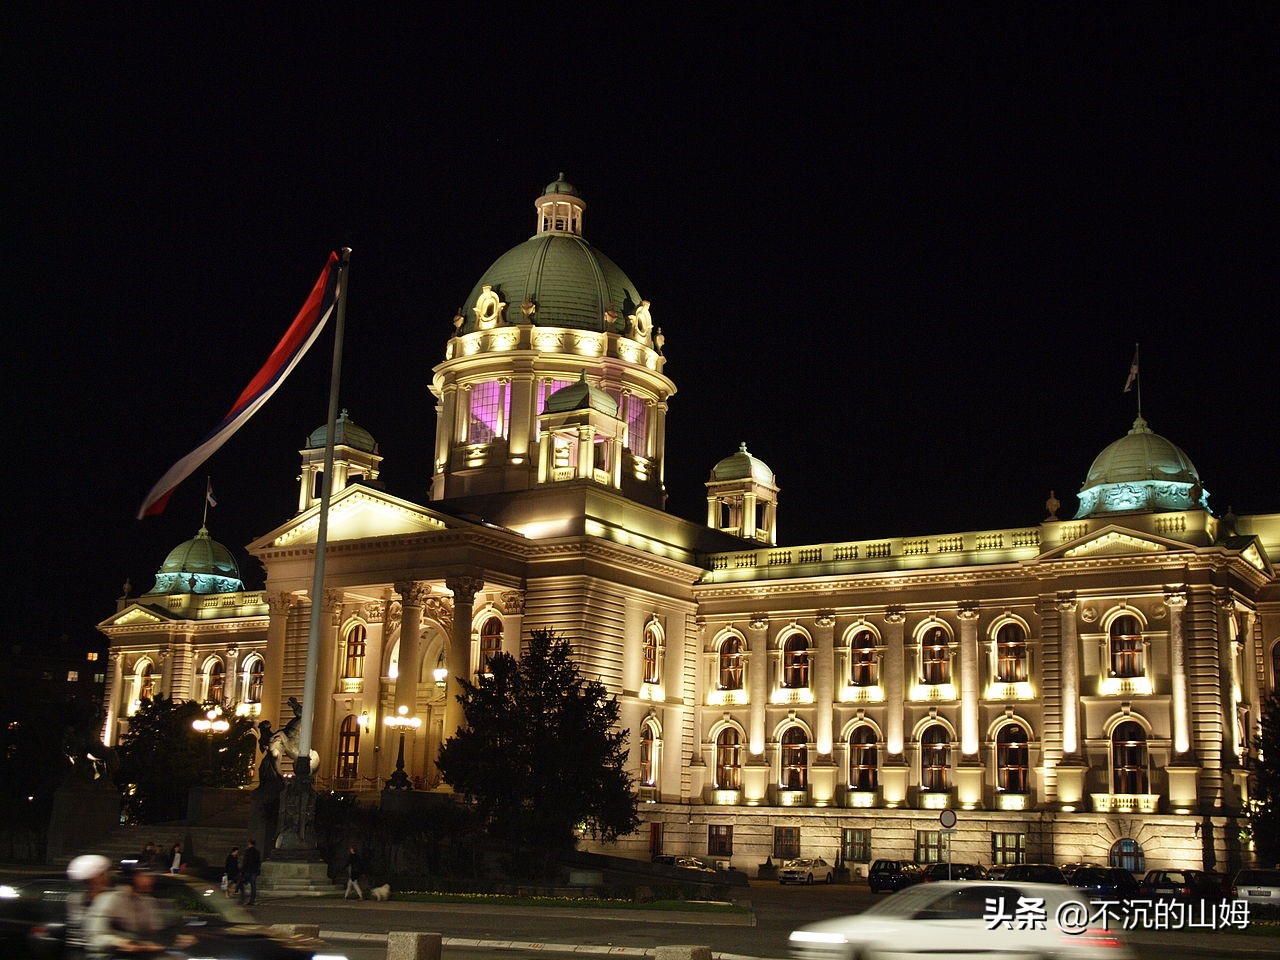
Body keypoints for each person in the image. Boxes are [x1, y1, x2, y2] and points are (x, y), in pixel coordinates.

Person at [84, 863, 169, 957]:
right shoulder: (109, 899)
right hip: (107, 954)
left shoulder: (148, 902)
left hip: (139, 954)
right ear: (131, 877)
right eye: (145, 875)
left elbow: (155, 931)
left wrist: (174, 938)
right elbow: (95, 937)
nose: (151, 880)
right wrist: (118, 942)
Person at [65, 854, 113, 952]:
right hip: (82, 951)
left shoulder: (108, 897)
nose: (107, 877)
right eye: (102, 874)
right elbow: (89, 929)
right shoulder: (76, 899)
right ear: (93, 878)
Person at [239, 838, 262, 905]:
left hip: (247, 870)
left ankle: (243, 898)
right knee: (253, 885)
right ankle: (252, 900)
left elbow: (245, 862)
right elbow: (258, 862)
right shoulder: (257, 852)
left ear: (249, 843)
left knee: (241, 883)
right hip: (254, 871)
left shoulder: (247, 851)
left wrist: (242, 871)